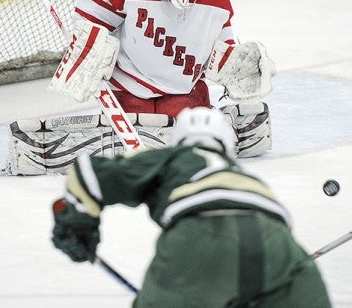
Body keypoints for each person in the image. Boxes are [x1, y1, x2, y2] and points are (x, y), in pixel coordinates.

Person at [5, 0, 276, 176]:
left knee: (187, 144)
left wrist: (241, 65)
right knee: (147, 135)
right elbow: (89, 13)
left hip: (184, 89)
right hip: (129, 86)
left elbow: (225, 51)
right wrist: (90, 46)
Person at [51, 107, 332, 307]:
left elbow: (87, 175)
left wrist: (77, 226)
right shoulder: (241, 174)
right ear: (226, 146)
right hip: (276, 242)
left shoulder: (172, 157)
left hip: (198, 237)